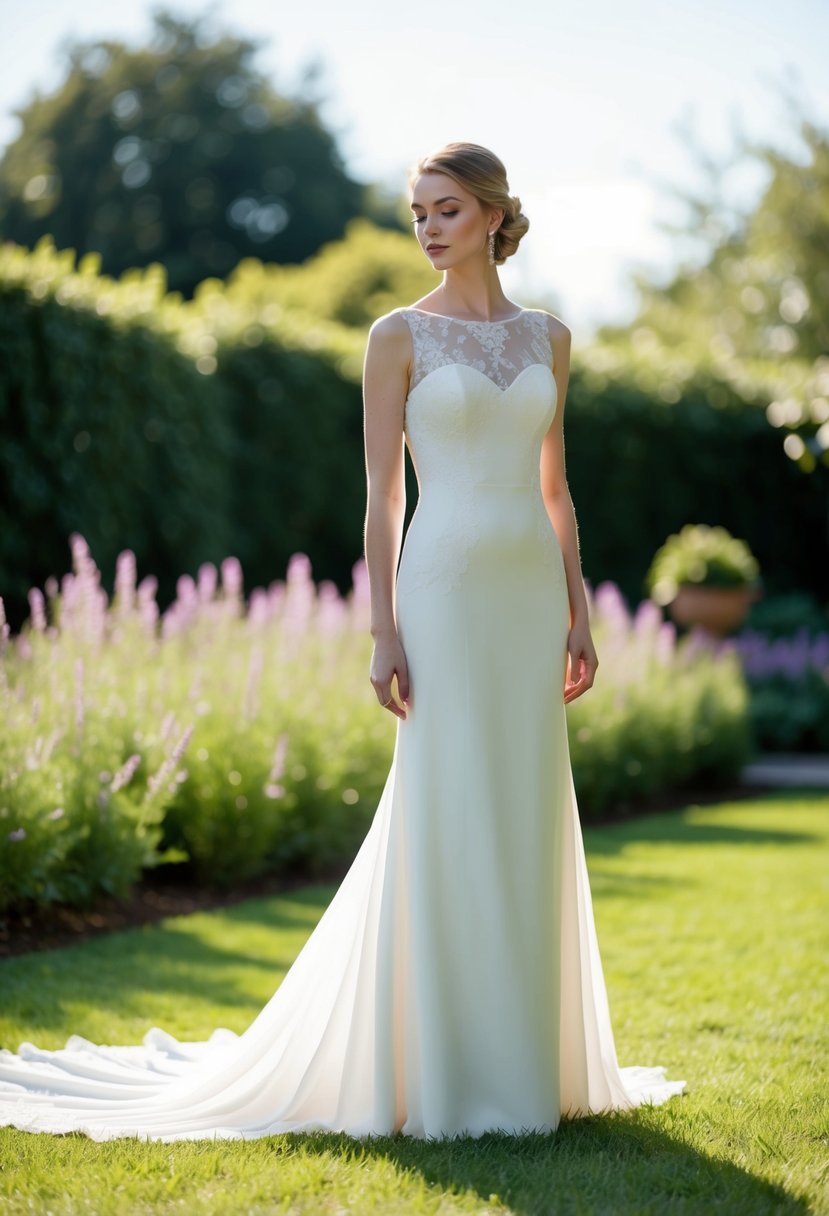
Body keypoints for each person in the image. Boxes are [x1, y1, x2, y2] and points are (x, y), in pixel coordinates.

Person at [0, 142, 684, 1141]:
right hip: (442, 588)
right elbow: (380, 496)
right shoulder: (394, 336)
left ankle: (523, 1058)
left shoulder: (550, 337)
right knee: (445, 801)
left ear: (494, 214)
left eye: (446, 210)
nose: (428, 228)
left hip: (526, 593)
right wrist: (382, 629)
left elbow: (555, 485)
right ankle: (440, 1066)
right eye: (418, 212)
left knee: (523, 804)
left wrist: (578, 610)